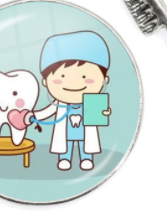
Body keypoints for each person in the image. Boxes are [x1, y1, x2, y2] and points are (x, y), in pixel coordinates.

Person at [24, 31, 111, 171]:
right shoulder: (58, 104)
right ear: (45, 82)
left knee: (86, 144)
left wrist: (105, 112)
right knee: (65, 144)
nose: (74, 83)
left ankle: (86, 158)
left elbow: (101, 114)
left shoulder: (92, 102)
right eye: (62, 76)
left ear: (104, 80)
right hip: (66, 132)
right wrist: (32, 116)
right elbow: (46, 112)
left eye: (84, 77)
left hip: (84, 132)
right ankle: (64, 158)